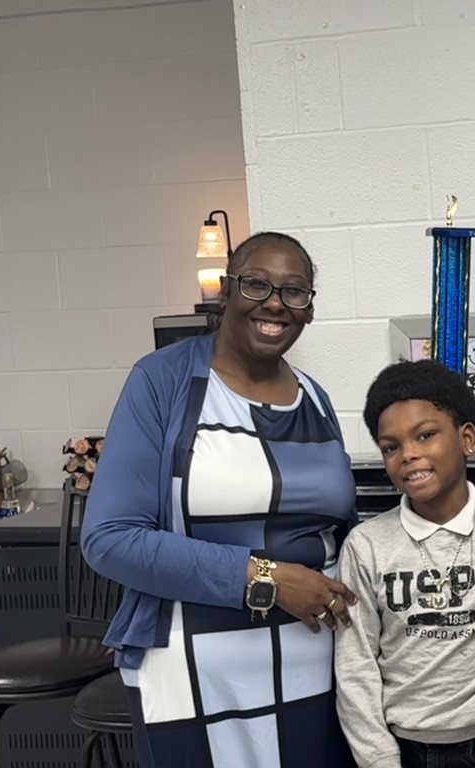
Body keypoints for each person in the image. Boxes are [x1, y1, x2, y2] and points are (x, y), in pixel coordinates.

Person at [82, 232, 359, 768]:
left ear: (308, 310)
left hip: (314, 665)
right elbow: (110, 540)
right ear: (226, 292)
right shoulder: (161, 382)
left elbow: (340, 533)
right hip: (194, 670)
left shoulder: (316, 399)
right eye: (256, 284)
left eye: (294, 291)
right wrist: (269, 579)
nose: (275, 302)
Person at [335, 359, 475, 768]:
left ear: (467, 439)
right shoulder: (366, 546)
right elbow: (355, 663)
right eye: (391, 447)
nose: (408, 455)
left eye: (425, 435)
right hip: (407, 749)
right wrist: (378, 759)